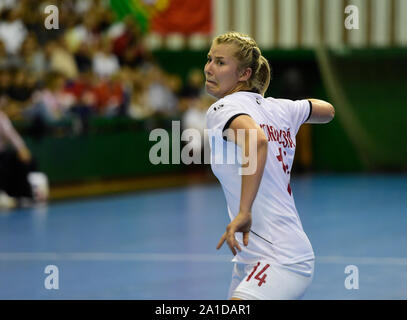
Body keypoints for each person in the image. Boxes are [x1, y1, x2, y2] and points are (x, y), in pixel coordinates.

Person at [204, 32, 335, 300]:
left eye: (220, 62)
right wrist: (296, 111)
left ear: (244, 74)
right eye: (209, 59)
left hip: (280, 258)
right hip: (251, 258)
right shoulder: (281, 109)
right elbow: (327, 110)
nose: (209, 68)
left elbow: (257, 141)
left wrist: (244, 211)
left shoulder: (223, 109)